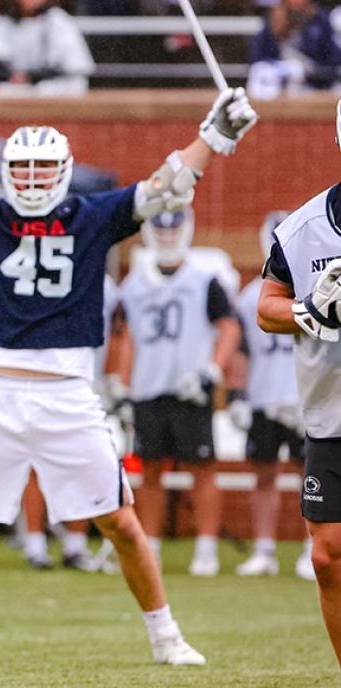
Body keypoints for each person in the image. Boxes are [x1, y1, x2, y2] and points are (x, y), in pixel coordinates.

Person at [0, 44, 257, 665]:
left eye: (44, 168)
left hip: (68, 391)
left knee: (119, 520)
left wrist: (212, 137)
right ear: (9, 172)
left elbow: (165, 188)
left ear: (61, 169)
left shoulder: (91, 216)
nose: (34, 179)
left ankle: (166, 635)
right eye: (25, 168)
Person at [257, 103, 341, 688]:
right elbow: (267, 306)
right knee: (328, 556)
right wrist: (309, 313)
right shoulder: (302, 228)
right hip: (332, 416)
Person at [116, 208, 240, 576]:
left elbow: (229, 329)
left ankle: (206, 549)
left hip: (191, 390)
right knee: (149, 470)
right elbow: (127, 339)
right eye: (161, 231)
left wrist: (212, 371)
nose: (168, 237)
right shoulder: (134, 285)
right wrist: (122, 384)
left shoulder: (205, 279)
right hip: (148, 389)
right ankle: (148, 546)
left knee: (202, 468)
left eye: (174, 230)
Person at [230, 210, 311, 580]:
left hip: (305, 398)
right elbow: (243, 349)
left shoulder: (316, 286)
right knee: (263, 474)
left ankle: (312, 547)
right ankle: (264, 549)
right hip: (263, 396)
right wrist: (237, 396)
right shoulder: (251, 297)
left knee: (311, 475)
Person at [0, 0, 93, 95]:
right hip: (19, 86)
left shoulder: (58, 20)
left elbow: (75, 67)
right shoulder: (6, 21)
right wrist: (12, 74)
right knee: (1, 91)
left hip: (56, 85)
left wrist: (32, 77)